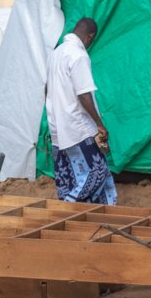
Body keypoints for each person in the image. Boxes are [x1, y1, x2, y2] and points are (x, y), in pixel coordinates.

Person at [45, 16, 116, 205]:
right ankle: (67, 205)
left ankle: (74, 213)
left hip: (57, 127)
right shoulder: (78, 55)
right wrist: (99, 124)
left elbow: (47, 90)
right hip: (77, 127)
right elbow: (84, 96)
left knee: (67, 176)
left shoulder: (56, 54)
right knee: (98, 171)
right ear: (89, 37)